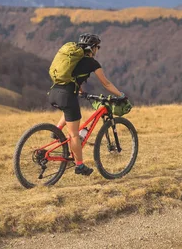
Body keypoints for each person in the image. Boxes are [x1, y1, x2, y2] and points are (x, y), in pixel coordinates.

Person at [48, 33, 126, 176]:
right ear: (92, 48)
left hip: (54, 92)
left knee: (70, 113)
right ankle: (80, 166)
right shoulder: (92, 63)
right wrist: (121, 95)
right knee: (74, 135)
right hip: (66, 96)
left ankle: (57, 131)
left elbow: (73, 77)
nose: (98, 50)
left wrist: (81, 90)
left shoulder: (73, 59)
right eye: (97, 47)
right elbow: (106, 84)